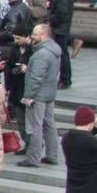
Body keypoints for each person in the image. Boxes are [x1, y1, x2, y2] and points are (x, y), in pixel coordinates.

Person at [18, 25, 61, 166]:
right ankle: (52, 155)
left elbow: (36, 77)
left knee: (35, 126)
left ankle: (33, 158)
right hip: (49, 93)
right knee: (50, 124)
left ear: (43, 35)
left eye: (35, 34)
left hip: (38, 95)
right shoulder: (54, 49)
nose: (32, 37)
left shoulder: (41, 54)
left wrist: (28, 96)